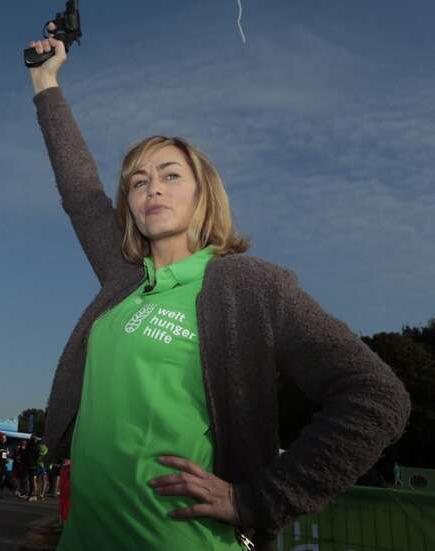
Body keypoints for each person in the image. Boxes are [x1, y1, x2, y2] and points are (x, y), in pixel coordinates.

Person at [26, 30, 412, 551]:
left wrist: (258, 500)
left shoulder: (250, 286)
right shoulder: (123, 281)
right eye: (138, 182)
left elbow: (378, 397)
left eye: (169, 175)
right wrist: (45, 82)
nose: (152, 187)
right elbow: (79, 192)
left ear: (202, 194)